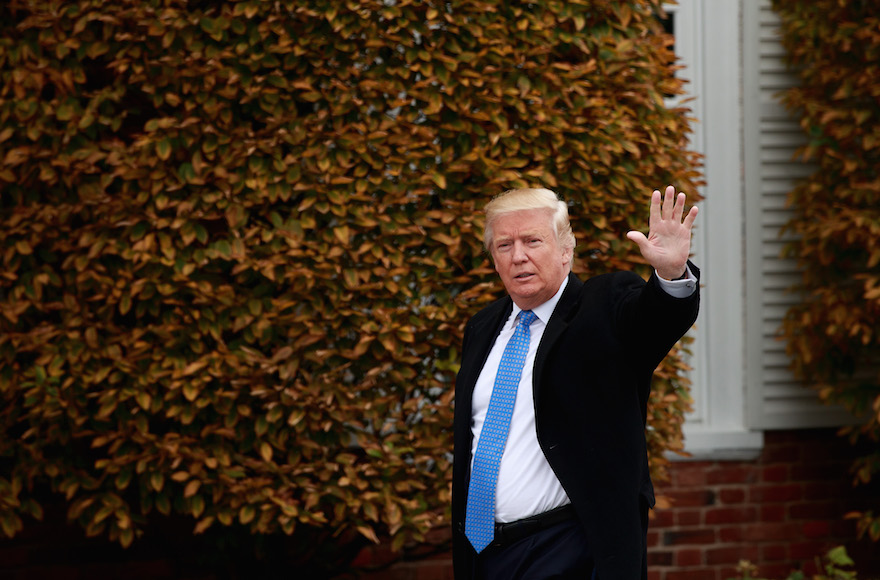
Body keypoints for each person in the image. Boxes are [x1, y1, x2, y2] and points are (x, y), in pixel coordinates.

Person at [452, 186, 700, 579]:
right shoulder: (483, 327)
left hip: (570, 547)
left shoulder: (604, 306)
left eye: (533, 241)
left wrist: (670, 273)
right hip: (485, 553)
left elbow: (655, 320)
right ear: (494, 260)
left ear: (566, 249)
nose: (519, 256)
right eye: (504, 245)